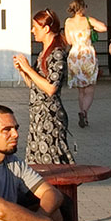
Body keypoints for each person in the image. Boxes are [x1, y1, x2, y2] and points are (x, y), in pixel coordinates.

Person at [11, 9, 74, 166]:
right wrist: (23, 71)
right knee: (37, 161)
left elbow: (51, 88)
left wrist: (29, 69)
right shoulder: (43, 53)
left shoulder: (57, 53)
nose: (33, 31)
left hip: (49, 117)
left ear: (46, 29)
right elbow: (36, 86)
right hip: (38, 116)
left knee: (52, 160)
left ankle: (58, 189)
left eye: (35, 27)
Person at [62, 0, 107, 130]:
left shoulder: (68, 22)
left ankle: (83, 115)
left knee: (81, 90)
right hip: (87, 54)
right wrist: (92, 28)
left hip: (75, 54)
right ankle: (84, 112)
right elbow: (103, 28)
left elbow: (69, 41)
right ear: (82, 8)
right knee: (90, 88)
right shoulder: (88, 20)